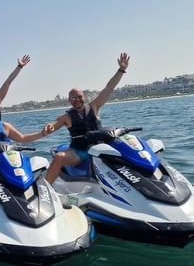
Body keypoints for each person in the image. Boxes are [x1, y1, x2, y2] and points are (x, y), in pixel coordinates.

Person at [41, 52, 131, 185]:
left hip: (102, 148)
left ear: (84, 96)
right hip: (80, 151)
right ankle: (46, 188)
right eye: (73, 97)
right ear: (69, 100)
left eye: (79, 96)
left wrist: (121, 70)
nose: (76, 100)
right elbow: (53, 126)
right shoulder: (66, 116)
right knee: (59, 157)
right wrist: (49, 127)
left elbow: (109, 88)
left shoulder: (95, 106)